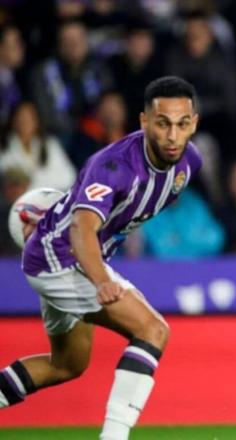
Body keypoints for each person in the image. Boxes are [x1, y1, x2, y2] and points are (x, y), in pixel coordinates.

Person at [0, 76, 202, 440]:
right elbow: (82, 229)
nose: (173, 135)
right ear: (143, 122)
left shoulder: (189, 165)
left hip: (67, 257)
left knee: (66, 365)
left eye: (182, 124)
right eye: (162, 123)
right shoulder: (113, 166)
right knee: (152, 329)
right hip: (60, 260)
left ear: (194, 123)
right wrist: (101, 279)